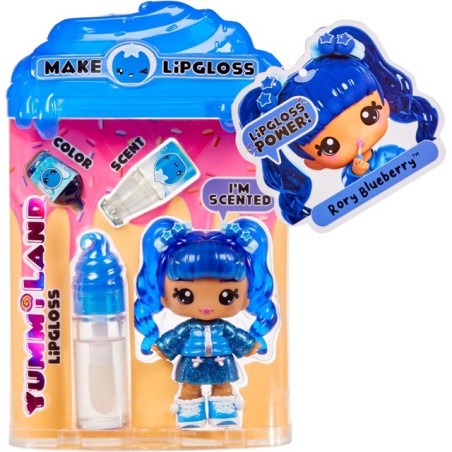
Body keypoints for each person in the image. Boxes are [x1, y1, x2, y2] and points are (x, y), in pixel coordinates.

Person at [237, 25, 438, 225]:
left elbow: (408, 161)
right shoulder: (348, 175)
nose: (356, 137)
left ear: (385, 106)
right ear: (313, 163)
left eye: (369, 114)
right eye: (329, 146)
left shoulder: (390, 152)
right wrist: (357, 173)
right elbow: (352, 191)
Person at [134, 217, 277, 428]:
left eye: (227, 296)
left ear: (246, 297)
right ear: (164, 296)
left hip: (221, 362)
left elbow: (235, 336)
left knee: (223, 387)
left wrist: (250, 345)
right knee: (190, 388)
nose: (206, 306)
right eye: (185, 295)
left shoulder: (224, 328)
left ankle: (224, 412)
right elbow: (176, 336)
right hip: (192, 363)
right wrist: (163, 347)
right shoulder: (188, 328)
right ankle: (190, 413)